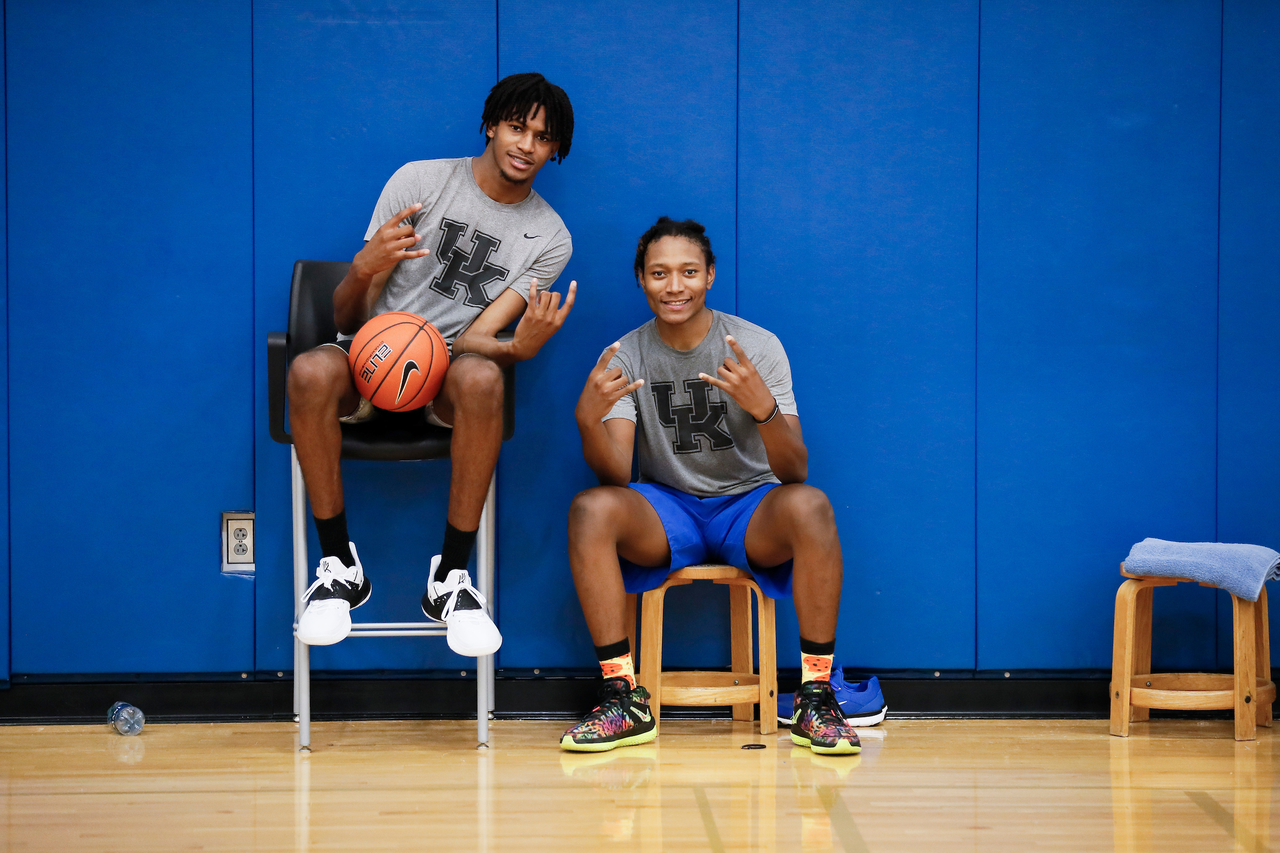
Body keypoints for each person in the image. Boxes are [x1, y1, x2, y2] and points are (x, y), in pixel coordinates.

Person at [290, 73, 576, 656]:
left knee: (483, 375)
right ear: (492, 125)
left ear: (554, 150)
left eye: (542, 137)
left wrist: (519, 349)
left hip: (444, 372)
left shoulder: (549, 238)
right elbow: (346, 317)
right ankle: (339, 565)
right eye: (517, 127)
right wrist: (363, 269)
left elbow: (477, 337)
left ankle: (450, 578)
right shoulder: (420, 182)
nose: (526, 145)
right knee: (308, 371)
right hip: (370, 354)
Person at [561, 217, 860, 755]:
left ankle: (816, 695)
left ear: (710, 276)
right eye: (659, 273)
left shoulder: (754, 346)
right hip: (668, 506)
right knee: (590, 509)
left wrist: (763, 409)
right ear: (641, 279)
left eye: (688, 272)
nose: (674, 286)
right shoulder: (624, 355)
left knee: (812, 506)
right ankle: (622, 697)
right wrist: (588, 420)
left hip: (750, 506)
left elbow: (796, 473)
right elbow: (617, 476)